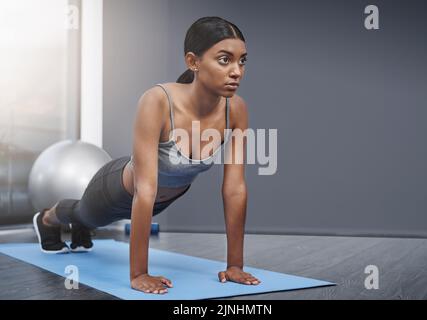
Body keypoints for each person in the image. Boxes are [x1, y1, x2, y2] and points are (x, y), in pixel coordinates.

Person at [32, 16, 261, 294]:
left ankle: (81, 228)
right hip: (117, 190)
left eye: (242, 61)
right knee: (85, 213)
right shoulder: (158, 100)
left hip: (158, 202)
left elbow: (234, 189)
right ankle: (46, 218)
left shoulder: (235, 109)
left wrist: (234, 264)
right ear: (193, 62)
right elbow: (145, 188)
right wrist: (139, 273)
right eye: (225, 60)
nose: (237, 71)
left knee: (89, 222)